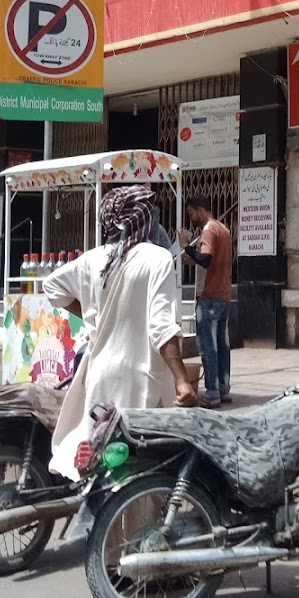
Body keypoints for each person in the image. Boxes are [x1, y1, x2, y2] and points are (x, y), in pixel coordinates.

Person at [43, 185, 198, 479]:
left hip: (100, 376)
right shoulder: (157, 259)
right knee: (141, 473)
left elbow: (51, 286)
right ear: (143, 220)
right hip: (139, 379)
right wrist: (182, 381)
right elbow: (162, 326)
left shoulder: (92, 260)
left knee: (101, 466)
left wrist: (94, 315)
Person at [179, 195, 233, 408]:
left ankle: (211, 393)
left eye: (192, 214)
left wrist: (187, 247)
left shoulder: (209, 230)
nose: (191, 218)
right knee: (222, 345)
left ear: (201, 210)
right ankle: (223, 389)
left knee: (208, 346)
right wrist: (193, 259)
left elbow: (207, 259)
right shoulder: (224, 229)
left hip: (209, 297)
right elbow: (211, 262)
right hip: (224, 296)